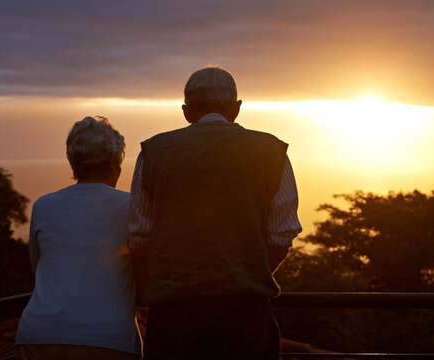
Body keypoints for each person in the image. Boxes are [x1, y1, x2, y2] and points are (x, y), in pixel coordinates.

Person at [129, 66, 302, 359]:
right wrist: (242, 275)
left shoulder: (153, 152)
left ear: (186, 111)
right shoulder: (272, 152)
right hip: (245, 317)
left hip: (173, 317)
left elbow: (140, 238)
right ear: (236, 109)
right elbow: (281, 236)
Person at [16, 116, 141, 359]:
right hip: (108, 339)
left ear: (73, 162)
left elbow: (39, 268)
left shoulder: (44, 206)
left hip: (38, 335)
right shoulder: (131, 207)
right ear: (114, 163)